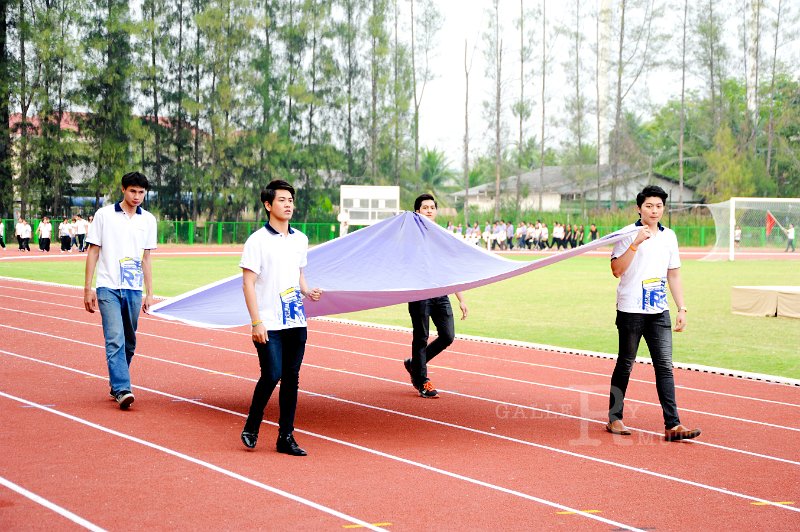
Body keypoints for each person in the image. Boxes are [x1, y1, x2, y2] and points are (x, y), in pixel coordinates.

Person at [606, 185, 701, 442]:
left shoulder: (669, 236)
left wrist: (681, 307)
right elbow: (617, 269)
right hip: (631, 309)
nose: (654, 210)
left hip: (659, 310)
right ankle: (615, 417)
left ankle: (673, 424)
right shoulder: (627, 233)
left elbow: (674, 273)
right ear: (639, 208)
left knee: (665, 367)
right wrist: (635, 243)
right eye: (649, 206)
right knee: (626, 364)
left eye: (659, 206)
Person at [239, 179, 322, 456]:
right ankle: (252, 425)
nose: (288, 205)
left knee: (292, 378)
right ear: (268, 204)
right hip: (269, 322)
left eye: (291, 200)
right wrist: (256, 321)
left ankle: (285, 437)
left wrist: (307, 291)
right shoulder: (257, 241)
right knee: (272, 373)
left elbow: (297, 273)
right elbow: (248, 283)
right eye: (282, 200)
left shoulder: (300, 239)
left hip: (295, 320)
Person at [84, 172, 157, 410]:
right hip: (108, 287)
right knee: (115, 338)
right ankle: (123, 388)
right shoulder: (104, 215)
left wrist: (150, 292)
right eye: (133, 191)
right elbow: (93, 251)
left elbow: (146, 257)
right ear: (123, 190)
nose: (137, 197)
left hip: (133, 288)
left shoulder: (148, 220)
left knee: (130, 341)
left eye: (141, 192)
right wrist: (88, 288)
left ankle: (116, 382)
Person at [404, 193, 468, 398]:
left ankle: (415, 365)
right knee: (421, 337)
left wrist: (461, 299)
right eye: (425, 207)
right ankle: (422, 381)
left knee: (448, 335)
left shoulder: (442, 236)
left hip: (441, 293)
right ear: (417, 211)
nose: (429, 210)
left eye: (432, 207)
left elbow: (450, 269)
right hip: (420, 293)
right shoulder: (411, 236)